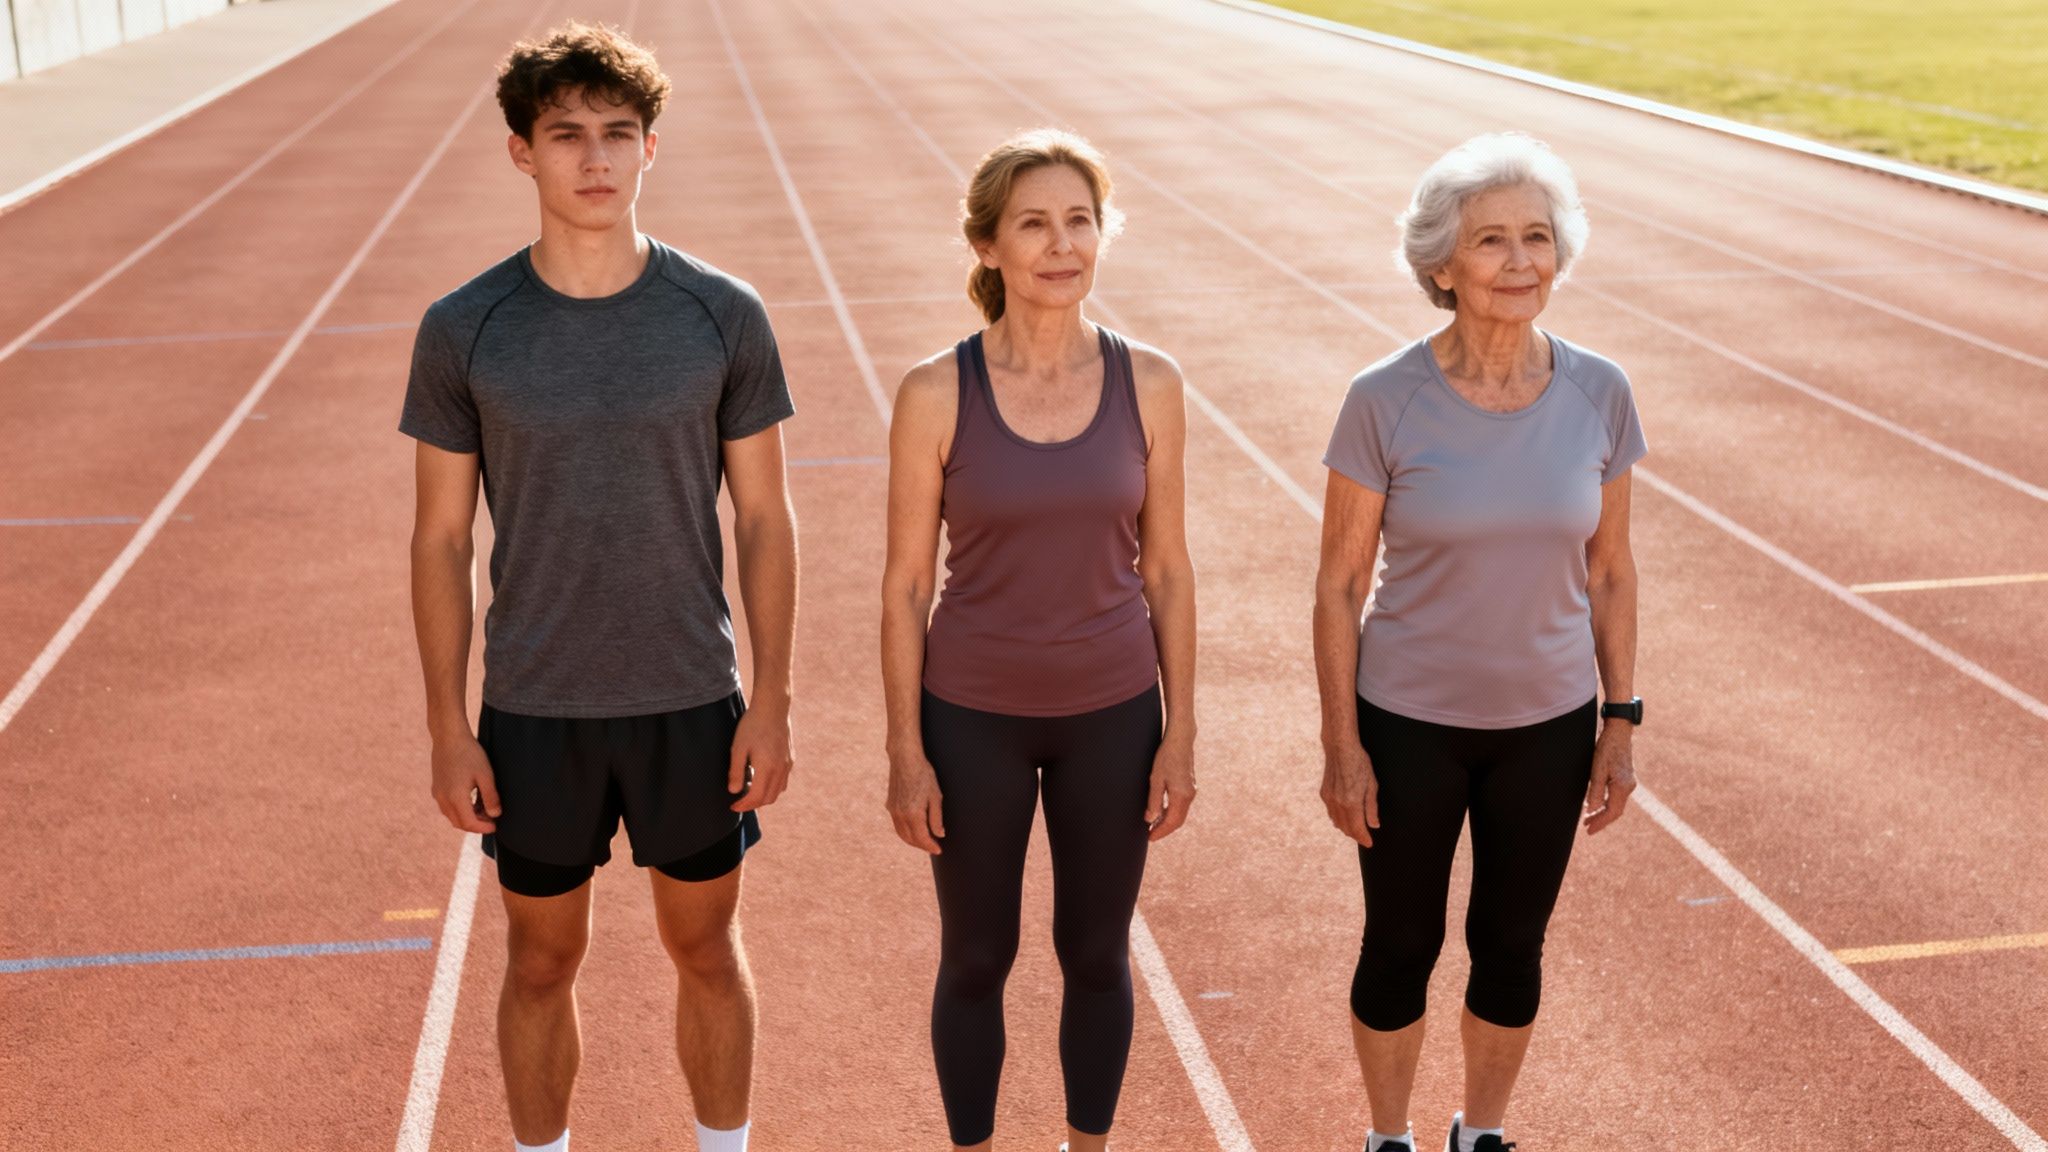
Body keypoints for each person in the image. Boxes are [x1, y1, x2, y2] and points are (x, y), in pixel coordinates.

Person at [401, 23, 797, 1152]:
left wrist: (768, 700)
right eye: (565, 134)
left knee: (708, 950)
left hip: (688, 698)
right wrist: (445, 725)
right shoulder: (463, 328)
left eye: (616, 134)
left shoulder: (722, 314)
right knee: (537, 960)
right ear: (520, 150)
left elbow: (765, 517)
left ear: (650, 149)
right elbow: (438, 540)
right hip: (533, 708)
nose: (593, 158)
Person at [1313, 132, 1647, 1152]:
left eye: (1536, 238)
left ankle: (1482, 1134)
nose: (1518, 263)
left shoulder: (1600, 392)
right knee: (1400, 942)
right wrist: (1340, 746)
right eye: (1490, 241)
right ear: (1440, 265)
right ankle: (1387, 1138)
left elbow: (1609, 571)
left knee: (1510, 943)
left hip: (1545, 725)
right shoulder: (1384, 398)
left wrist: (1619, 716)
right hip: (1406, 721)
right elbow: (1336, 584)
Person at [880, 128, 1198, 1152]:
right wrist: (903, 751)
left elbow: (1168, 569)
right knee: (975, 958)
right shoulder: (935, 392)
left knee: (1096, 955)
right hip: (971, 715)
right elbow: (901, 586)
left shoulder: (1149, 383)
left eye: (1078, 220)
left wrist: (1180, 731)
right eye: (1032, 224)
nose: (1061, 245)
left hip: (1111, 710)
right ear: (986, 247)